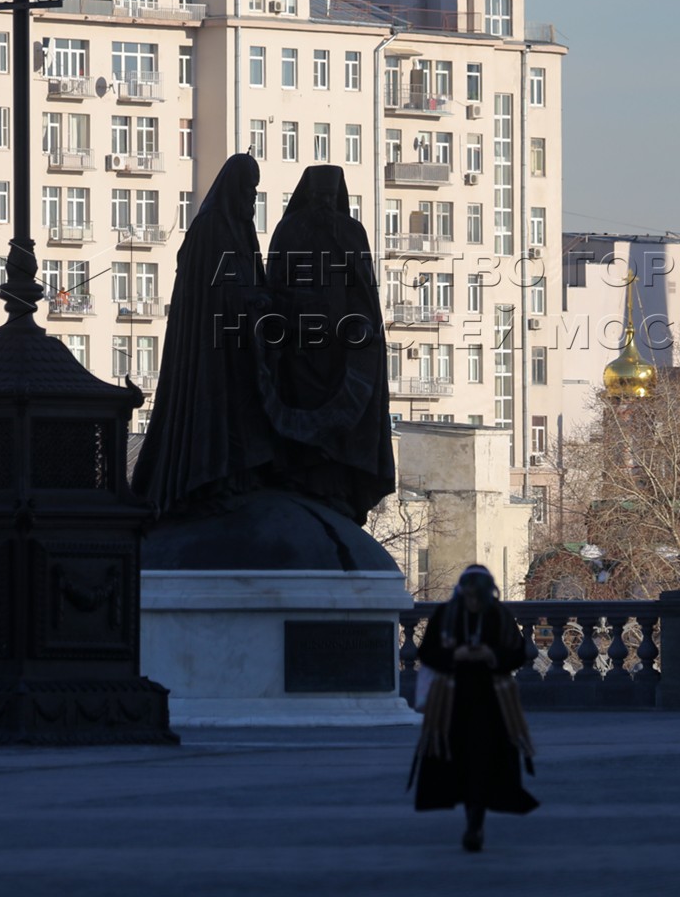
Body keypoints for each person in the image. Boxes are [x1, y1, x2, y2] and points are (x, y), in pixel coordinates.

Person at [130, 153, 274, 516]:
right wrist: (248, 299)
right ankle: (211, 481)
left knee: (243, 409)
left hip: (237, 341)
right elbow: (214, 289)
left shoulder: (240, 229)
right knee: (214, 410)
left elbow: (250, 278)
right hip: (210, 346)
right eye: (248, 189)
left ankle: (238, 477)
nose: (252, 198)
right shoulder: (211, 228)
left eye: (255, 191)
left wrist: (261, 300)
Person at [259, 165, 394, 523]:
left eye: (330, 197)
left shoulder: (351, 232)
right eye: (319, 196)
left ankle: (336, 488)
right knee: (298, 404)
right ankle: (298, 480)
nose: (325, 203)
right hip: (298, 342)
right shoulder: (290, 230)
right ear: (308, 195)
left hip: (338, 346)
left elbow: (363, 290)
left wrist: (360, 328)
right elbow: (276, 283)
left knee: (340, 414)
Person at [411, 565, 537, 851]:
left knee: (482, 762)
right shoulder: (446, 614)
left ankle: (475, 823)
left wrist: (491, 655)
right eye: (469, 595)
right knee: (461, 761)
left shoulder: (499, 615)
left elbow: (517, 653)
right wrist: (455, 655)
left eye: (477, 596)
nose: (473, 601)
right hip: (452, 702)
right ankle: (473, 820)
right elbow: (427, 652)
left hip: (491, 701)